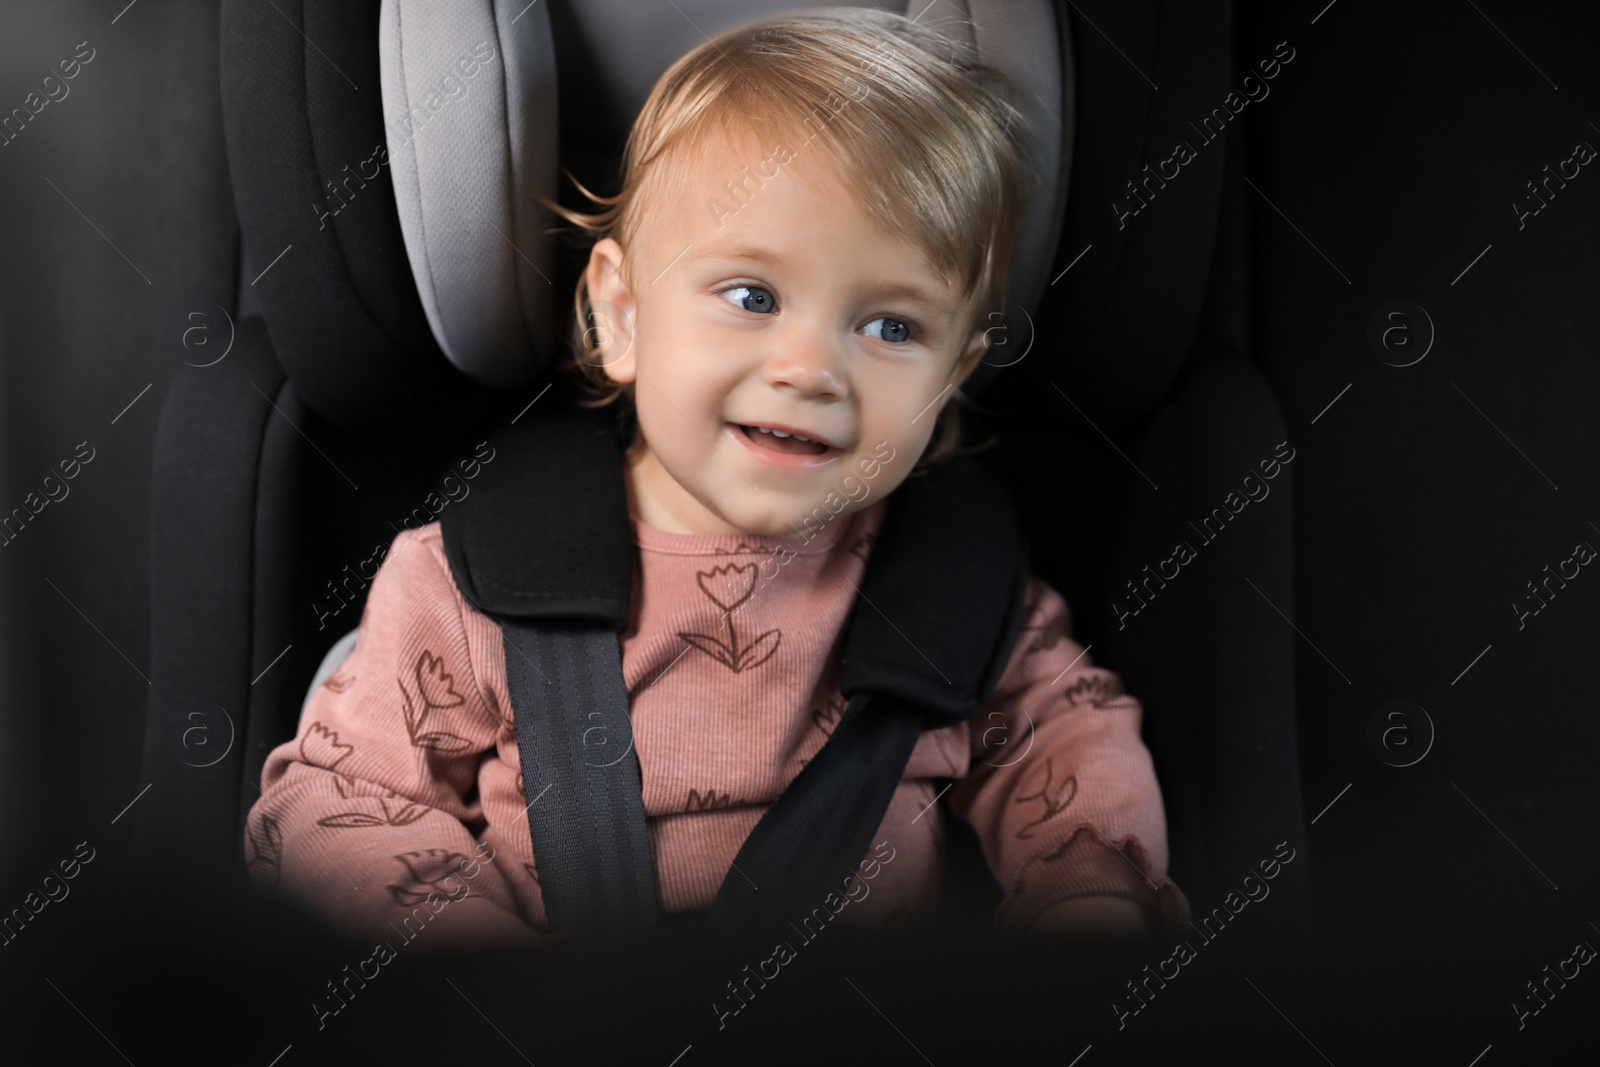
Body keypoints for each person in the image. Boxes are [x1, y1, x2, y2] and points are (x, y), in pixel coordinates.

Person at [244, 7, 1186, 949]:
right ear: (622, 315)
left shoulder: (955, 590)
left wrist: (1089, 894)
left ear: (954, 371)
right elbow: (339, 795)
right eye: (752, 297)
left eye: (893, 327)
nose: (811, 368)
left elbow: (1069, 737)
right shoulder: (475, 582)